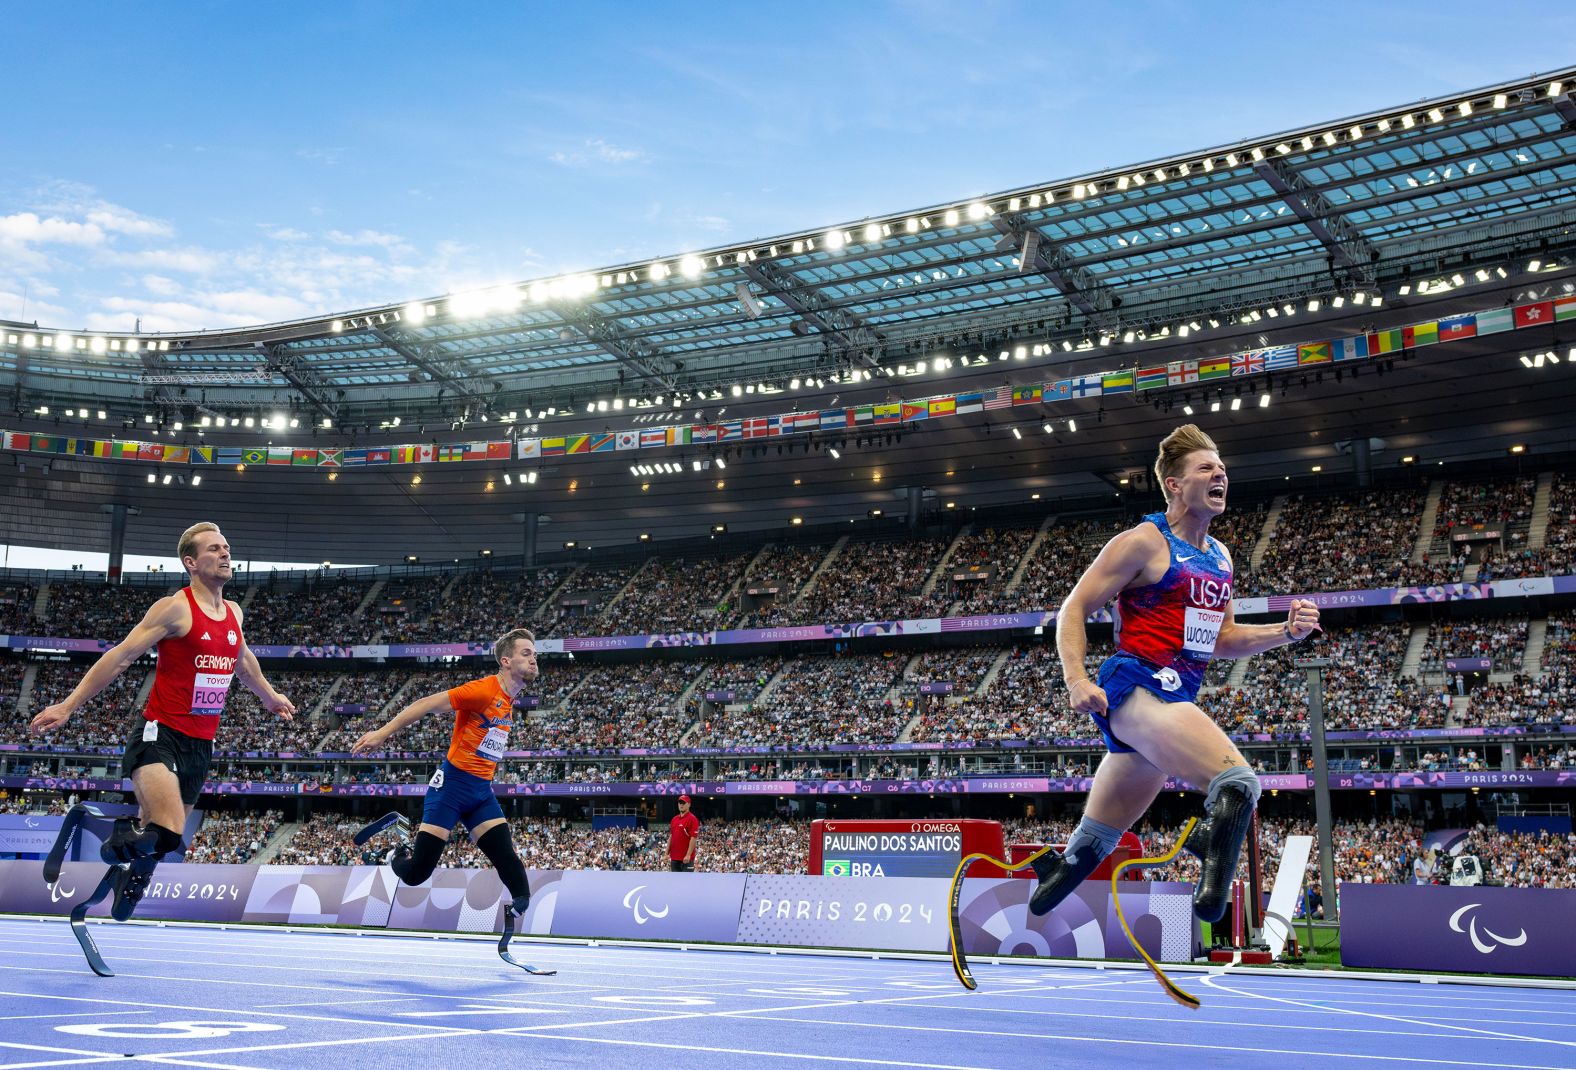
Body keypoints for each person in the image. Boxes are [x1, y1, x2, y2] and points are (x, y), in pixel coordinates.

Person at [1030, 425, 1320, 924]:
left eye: (1223, 469)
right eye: (1206, 468)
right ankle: (1207, 838)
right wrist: (1076, 678)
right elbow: (1075, 607)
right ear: (1173, 484)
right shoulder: (1144, 541)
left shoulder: (1221, 557)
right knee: (1237, 785)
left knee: (1088, 851)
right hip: (1137, 687)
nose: (1220, 475)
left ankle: (1051, 871)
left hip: (1172, 699)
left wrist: (1285, 631)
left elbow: (1222, 638)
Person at [30, 522, 296, 920]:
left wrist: (270, 696)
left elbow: (244, 663)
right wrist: (68, 706)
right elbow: (120, 656)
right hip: (160, 735)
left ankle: (128, 878)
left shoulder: (234, 613)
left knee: (163, 837)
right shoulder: (175, 608)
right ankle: (103, 830)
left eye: (226, 547)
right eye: (213, 549)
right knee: (169, 831)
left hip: (199, 745)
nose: (225, 553)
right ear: (190, 562)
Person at [351, 628, 538, 916]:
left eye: (535, 654)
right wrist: (382, 732)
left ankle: (519, 908)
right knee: (415, 874)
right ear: (506, 661)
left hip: (480, 793)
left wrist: (520, 902)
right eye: (526, 654)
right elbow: (426, 704)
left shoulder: (509, 700)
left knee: (508, 860)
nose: (534, 659)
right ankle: (394, 851)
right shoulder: (482, 690)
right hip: (450, 789)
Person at [668, 794, 700, 871]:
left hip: (686, 859)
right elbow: (671, 837)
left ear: (689, 804)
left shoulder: (693, 819)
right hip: (674, 858)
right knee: (675, 882)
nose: (681, 805)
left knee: (688, 882)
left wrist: (688, 855)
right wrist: (666, 853)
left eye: (683, 803)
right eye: (680, 803)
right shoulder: (674, 819)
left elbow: (693, 838)